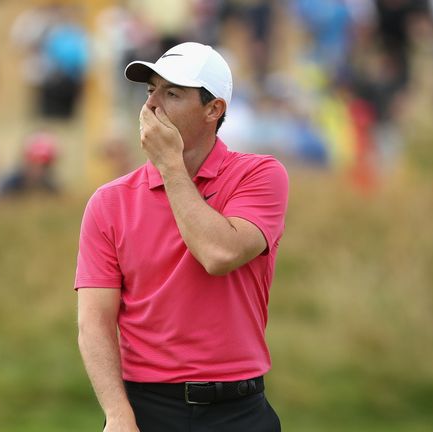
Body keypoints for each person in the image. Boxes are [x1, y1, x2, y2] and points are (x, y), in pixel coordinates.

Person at [75, 42, 289, 432]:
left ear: (213, 110)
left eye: (172, 93)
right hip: (147, 408)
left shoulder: (259, 175)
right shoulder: (108, 203)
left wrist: (171, 166)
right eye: (150, 91)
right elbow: (94, 322)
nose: (152, 106)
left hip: (238, 410)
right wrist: (117, 413)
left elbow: (219, 253)